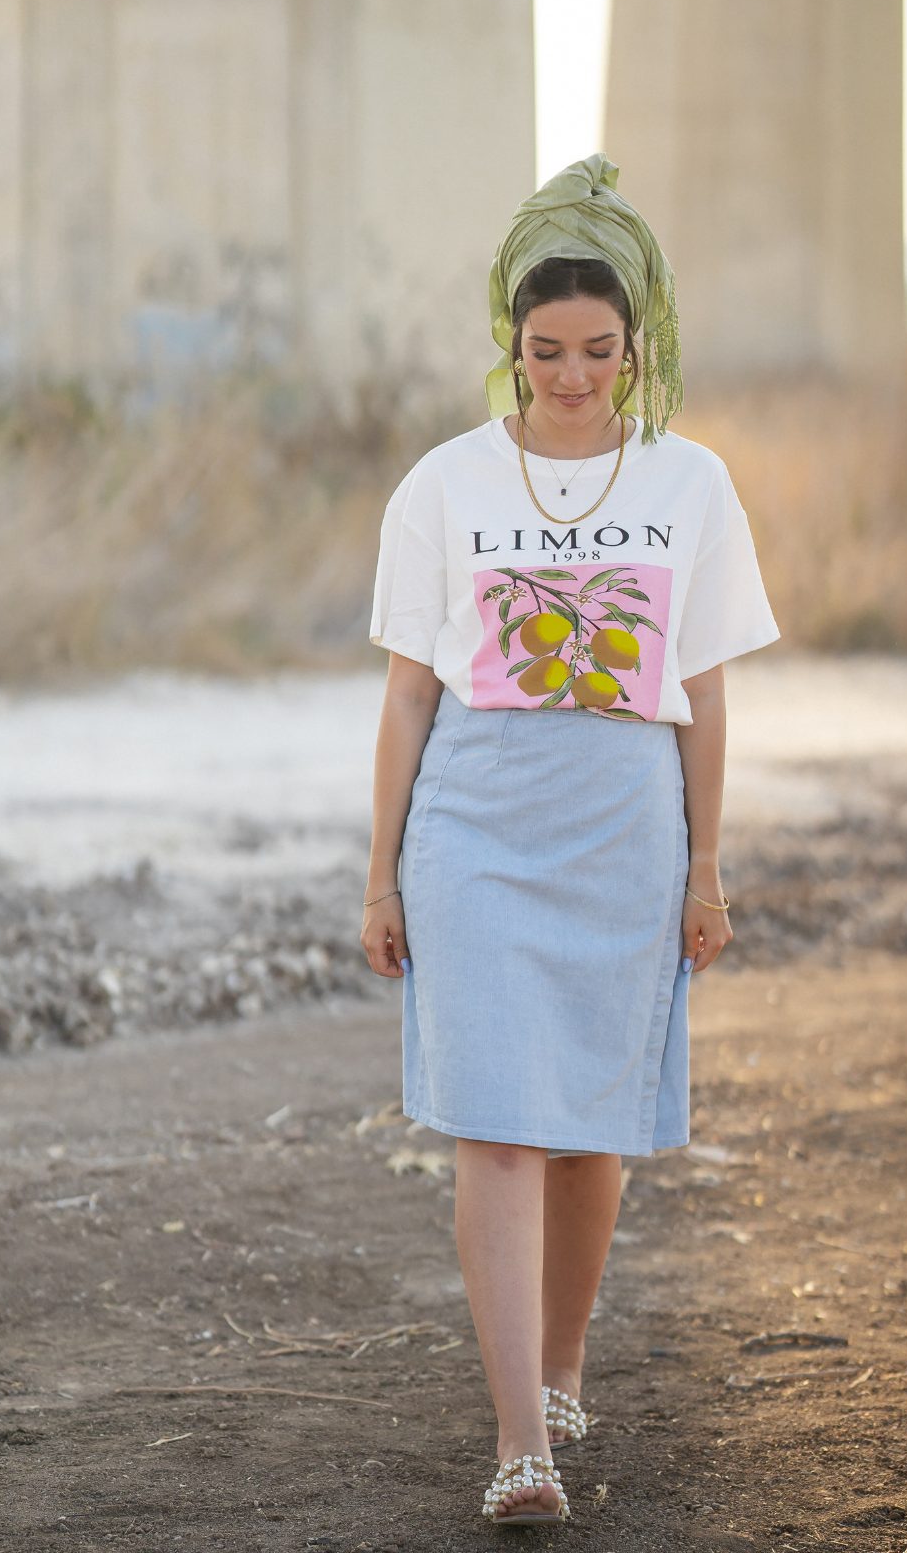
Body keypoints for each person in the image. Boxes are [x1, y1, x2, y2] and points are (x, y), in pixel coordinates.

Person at [361, 152, 781, 1528]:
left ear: (636, 343)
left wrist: (706, 870)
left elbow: (703, 690)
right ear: (511, 341)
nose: (572, 377)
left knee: (592, 1125)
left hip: (622, 825)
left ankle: (562, 1366)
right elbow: (408, 693)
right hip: (475, 821)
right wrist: (380, 873)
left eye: (599, 350)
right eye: (545, 351)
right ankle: (519, 1445)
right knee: (497, 1125)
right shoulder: (444, 483)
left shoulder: (693, 482)